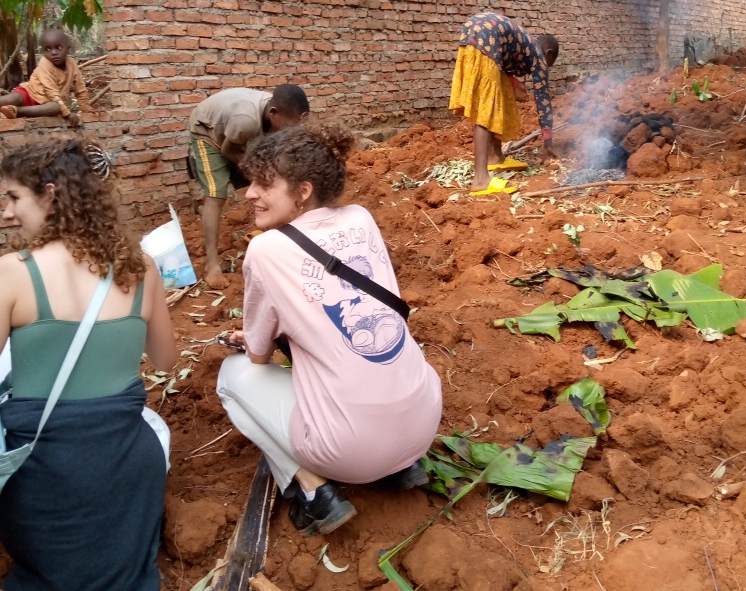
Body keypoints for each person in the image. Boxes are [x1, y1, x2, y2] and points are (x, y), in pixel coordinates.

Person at [216, 121, 442, 536]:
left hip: (350, 449)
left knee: (232, 376)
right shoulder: (360, 217)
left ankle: (313, 488)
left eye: (264, 185)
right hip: (425, 420)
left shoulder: (265, 249)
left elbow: (260, 355)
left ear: (302, 192)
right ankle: (401, 467)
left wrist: (253, 340)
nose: (250, 194)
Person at [0, 138, 177, 590]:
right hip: (127, 470)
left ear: (51, 194)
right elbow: (165, 360)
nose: (6, 212)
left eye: (13, 197)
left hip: (43, 476)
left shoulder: (13, 273)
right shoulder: (142, 268)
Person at [188, 85, 310, 289]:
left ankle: (275, 241)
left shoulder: (273, 116)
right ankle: (211, 265)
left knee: (268, 181)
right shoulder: (246, 121)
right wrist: (259, 171)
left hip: (234, 131)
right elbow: (228, 152)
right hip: (208, 134)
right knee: (216, 194)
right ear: (273, 114)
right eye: (290, 126)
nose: (292, 132)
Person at [449, 13, 559, 194]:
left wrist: (515, 83)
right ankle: (481, 180)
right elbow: (543, 98)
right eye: (550, 64)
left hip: (475, 35)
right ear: (549, 54)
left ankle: (496, 157)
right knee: (488, 109)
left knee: (502, 98)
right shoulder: (539, 54)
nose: (546, 68)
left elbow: (505, 67)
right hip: (486, 40)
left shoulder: (524, 45)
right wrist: (547, 140)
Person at [0, 29, 90, 126]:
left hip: (44, 104)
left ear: (68, 49)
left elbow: (81, 90)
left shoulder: (72, 64)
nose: (54, 52)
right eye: (48, 49)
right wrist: (67, 113)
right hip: (28, 93)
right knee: (14, 97)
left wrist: (86, 110)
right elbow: (51, 91)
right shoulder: (45, 64)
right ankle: (10, 106)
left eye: (58, 47)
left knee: (55, 108)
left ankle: (16, 110)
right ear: (43, 51)